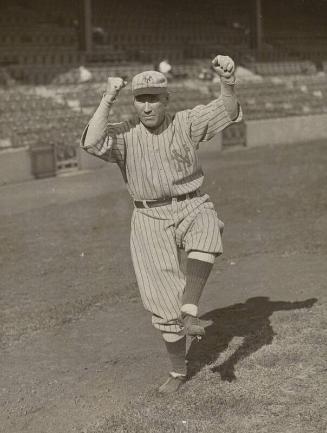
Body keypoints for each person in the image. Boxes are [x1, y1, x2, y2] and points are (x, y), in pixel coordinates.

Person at [80, 54, 242, 394]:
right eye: (141, 98)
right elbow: (92, 143)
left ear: (166, 100)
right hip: (149, 217)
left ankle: (190, 308)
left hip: (190, 203)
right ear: (134, 102)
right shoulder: (124, 135)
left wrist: (227, 81)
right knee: (162, 304)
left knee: (208, 225)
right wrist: (108, 97)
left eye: (154, 98)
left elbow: (226, 110)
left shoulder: (186, 122)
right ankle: (178, 372)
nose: (148, 106)